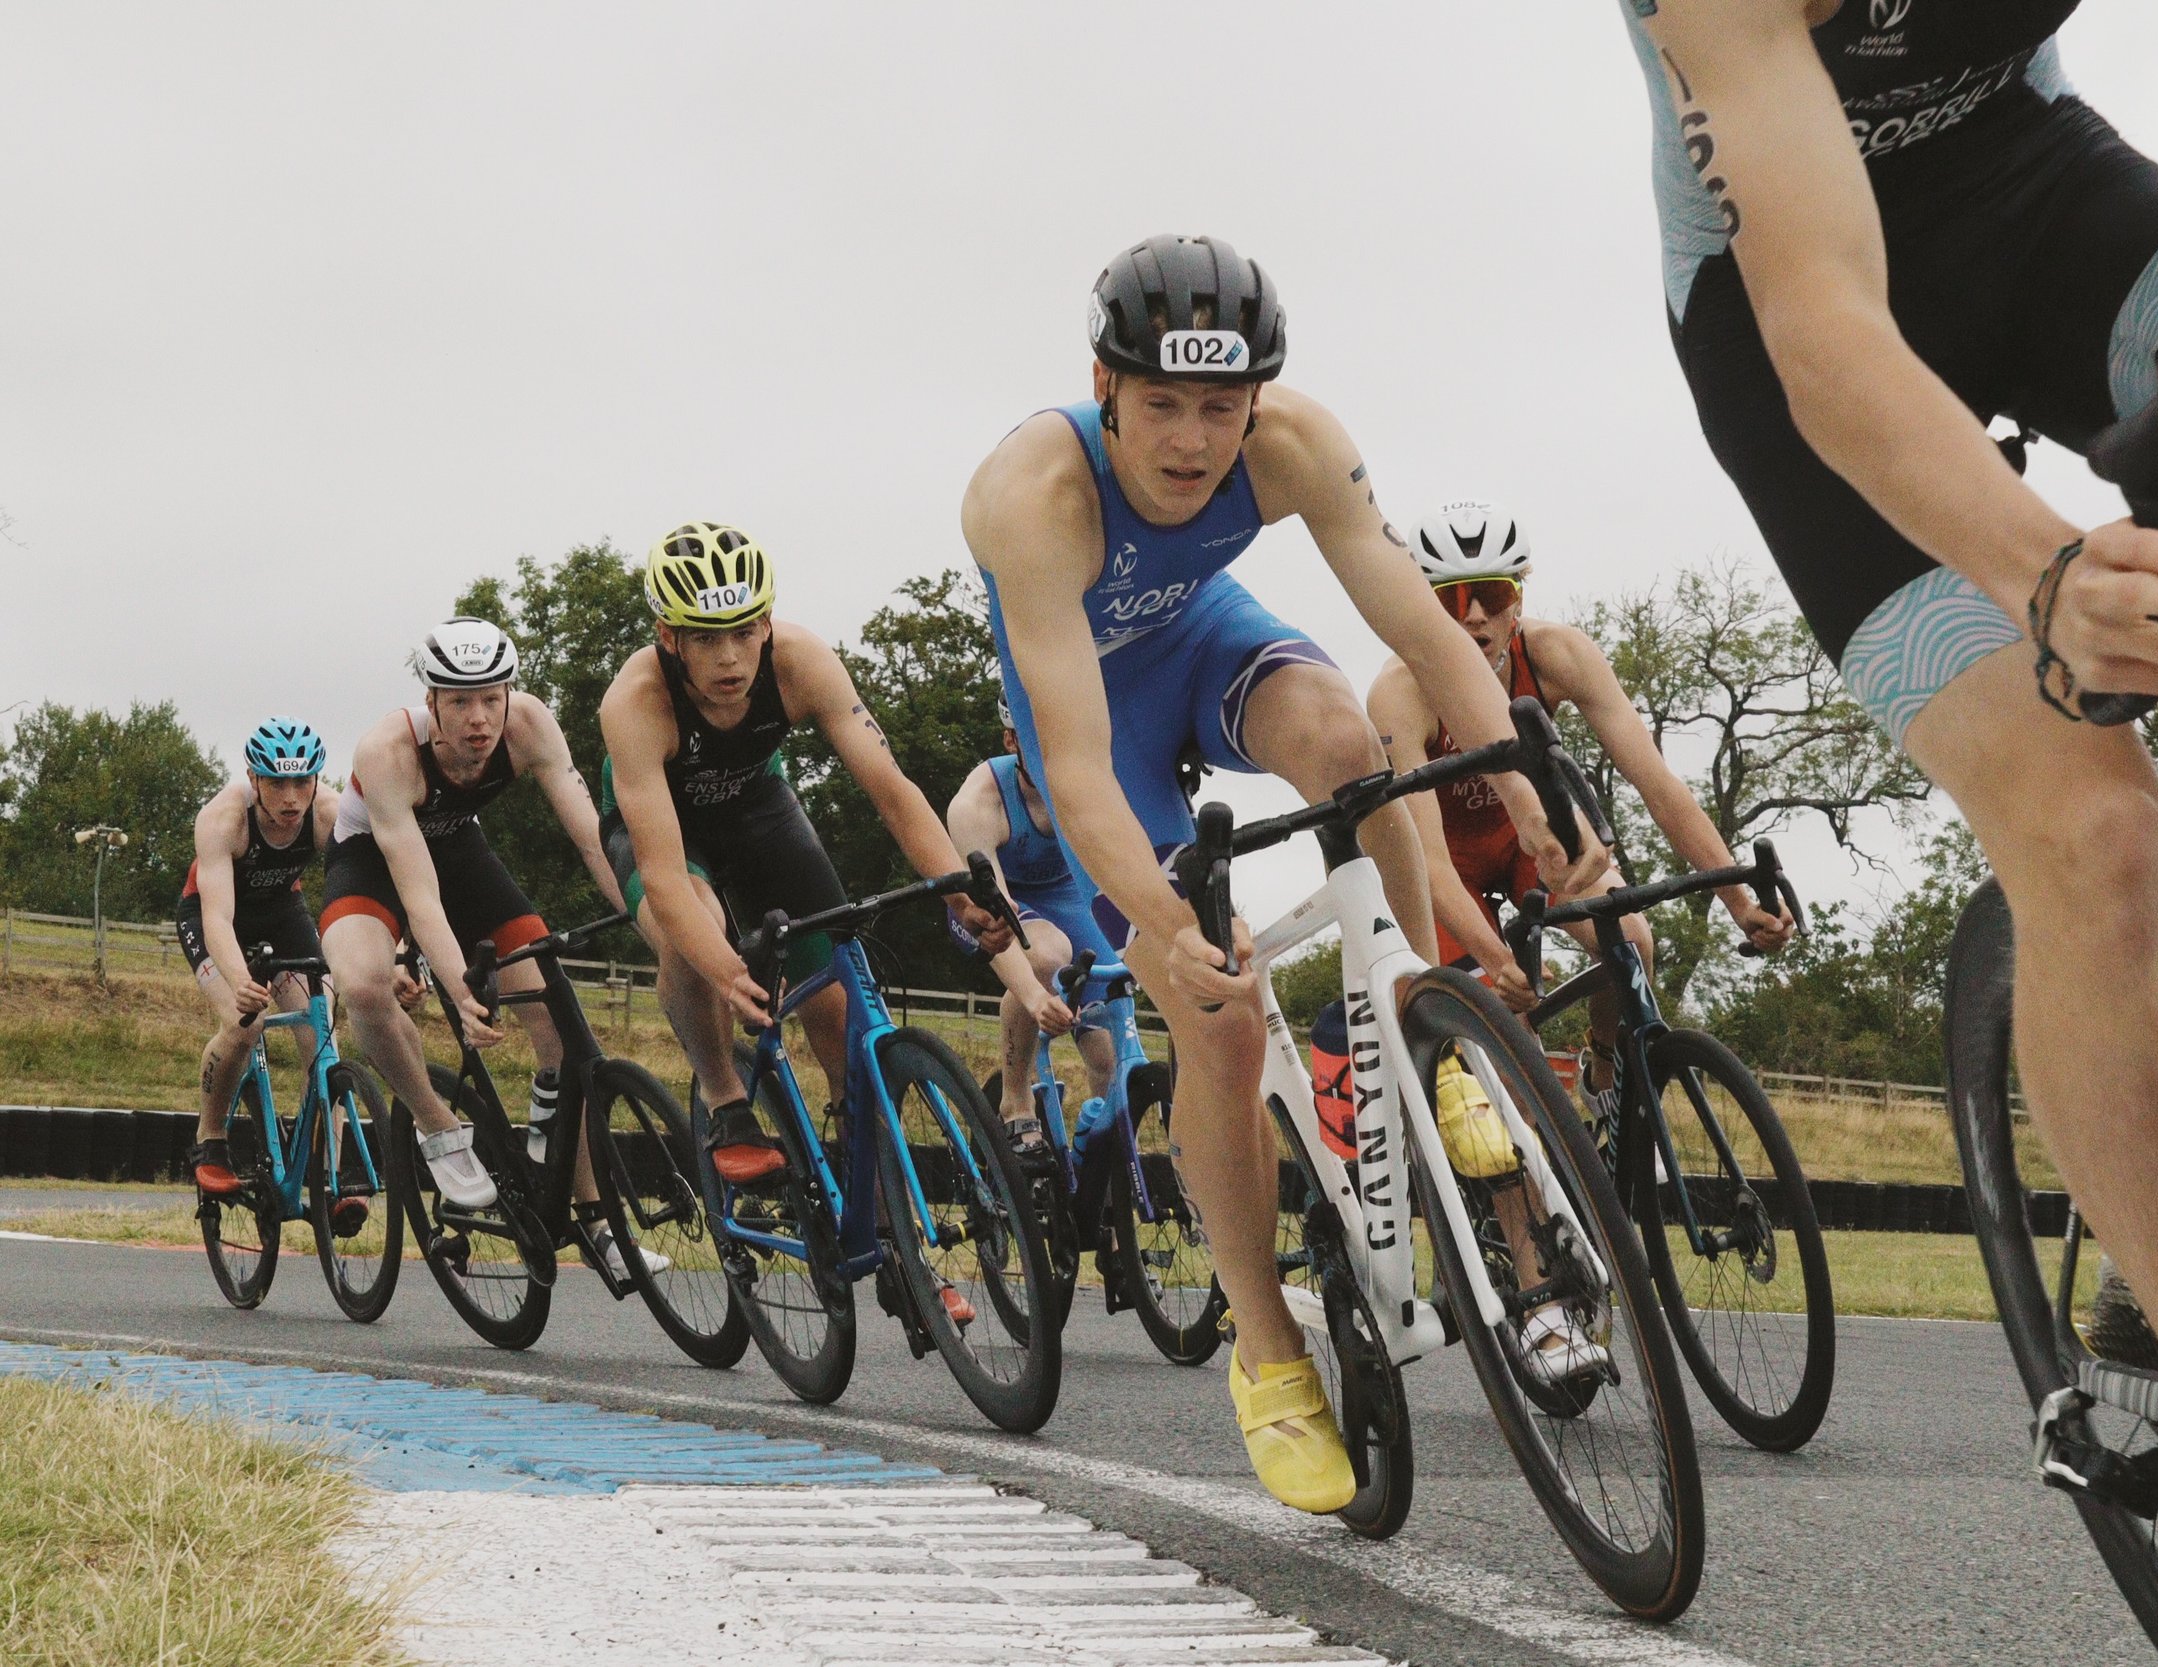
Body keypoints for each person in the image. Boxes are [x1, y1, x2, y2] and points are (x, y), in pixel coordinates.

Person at [1613, 0, 2158, 1655]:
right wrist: (2045, 574)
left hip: (2037, 189)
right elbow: (1826, 331)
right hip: (1803, 308)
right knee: (2093, 834)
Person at [963, 233, 1605, 1513]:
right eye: (1163, 405)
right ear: (1104, 385)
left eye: (1221, 405)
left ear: (1256, 395)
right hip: (1095, 727)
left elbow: (1420, 627)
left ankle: (1425, 1022)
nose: (1195, 440)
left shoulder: (1296, 440)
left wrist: (1531, 795)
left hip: (1205, 643)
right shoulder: (1030, 495)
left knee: (1350, 745)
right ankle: (1265, 1347)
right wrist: (1162, 922)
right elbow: (1079, 776)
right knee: (1219, 1007)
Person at [599, 522, 1021, 1209]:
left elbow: (891, 789)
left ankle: (871, 1198)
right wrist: (728, 969)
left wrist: (959, 893)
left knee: (837, 1004)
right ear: (668, 637)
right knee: (693, 930)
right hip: (671, 834)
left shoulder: (801, 660)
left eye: (744, 631)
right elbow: (668, 877)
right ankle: (726, 1096)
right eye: (706, 638)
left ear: (766, 622)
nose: (731, 658)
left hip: (760, 809)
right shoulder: (636, 702)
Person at [1367, 500, 1793, 1127]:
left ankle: (1603, 1070)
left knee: (1634, 944)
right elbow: (1425, 860)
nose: (1475, 617)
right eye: (1452, 599)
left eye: (1490, 593)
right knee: (1511, 1043)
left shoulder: (1558, 654)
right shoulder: (1399, 694)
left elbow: (1657, 782)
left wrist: (1738, 899)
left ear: (1519, 595)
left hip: (1527, 838)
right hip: (1446, 861)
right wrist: (1495, 960)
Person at [321, 619, 643, 1276]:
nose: (479, 719)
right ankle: (439, 1126)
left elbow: (593, 839)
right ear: (431, 702)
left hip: (462, 853)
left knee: (562, 1025)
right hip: (373, 862)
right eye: (460, 701)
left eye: (491, 698)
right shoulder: (386, 751)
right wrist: (461, 989)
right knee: (362, 986)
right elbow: (419, 897)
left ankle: (593, 1217)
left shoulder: (529, 726)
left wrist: (647, 916)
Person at [179, 719, 340, 1200]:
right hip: (214, 917)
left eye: (302, 781)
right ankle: (210, 1140)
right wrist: (238, 980)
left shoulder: (330, 813)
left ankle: (329, 1171)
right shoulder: (223, 818)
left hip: (283, 913)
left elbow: (364, 887)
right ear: (253, 780)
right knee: (244, 1024)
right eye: (276, 782)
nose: (291, 798)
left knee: (322, 1029)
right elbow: (218, 919)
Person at [944, 697, 1110, 1154]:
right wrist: (1038, 999)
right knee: (1047, 956)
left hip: (1067, 896)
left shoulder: (1093, 782)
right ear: (1011, 739)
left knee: (1109, 1053)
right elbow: (998, 923)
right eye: (1039, 742)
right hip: (990, 904)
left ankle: (1100, 1165)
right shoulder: (977, 804)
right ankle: (1015, 1101)